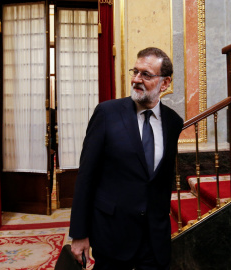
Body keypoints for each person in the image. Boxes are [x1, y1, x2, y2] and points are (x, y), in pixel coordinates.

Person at [69, 47, 183, 270]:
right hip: (112, 236)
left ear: (165, 82)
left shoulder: (173, 122)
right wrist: (79, 234)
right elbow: (86, 176)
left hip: (154, 240)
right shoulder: (107, 113)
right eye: (135, 72)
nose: (136, 79)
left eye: (146, 75)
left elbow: (160, 180)